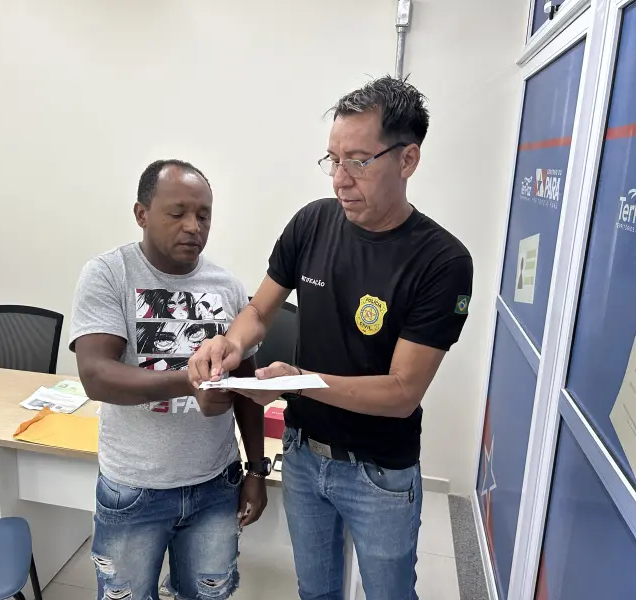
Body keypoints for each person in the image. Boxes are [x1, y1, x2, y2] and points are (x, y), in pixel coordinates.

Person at [188, 77, 473, 600]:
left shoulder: (442, 261)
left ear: (407, 160)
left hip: (380, 471)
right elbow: (259, 310)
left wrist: (298, 382)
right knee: (315, 592)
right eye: (333, 160)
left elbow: (402, 392)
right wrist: (230, 343)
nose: (340, 179)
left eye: (358, 161)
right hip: (303, 454)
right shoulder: (313, 223)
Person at [69, 159, 270, 600]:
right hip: (134, 486)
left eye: (204, 215)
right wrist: (189, 382)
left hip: (215, 484)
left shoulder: (227, 286)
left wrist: (256, 469)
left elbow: (246, 388)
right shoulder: (110, 274)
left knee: (207, 594)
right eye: (177, 213)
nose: (193, 226)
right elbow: (96, 375)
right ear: (141, 214)